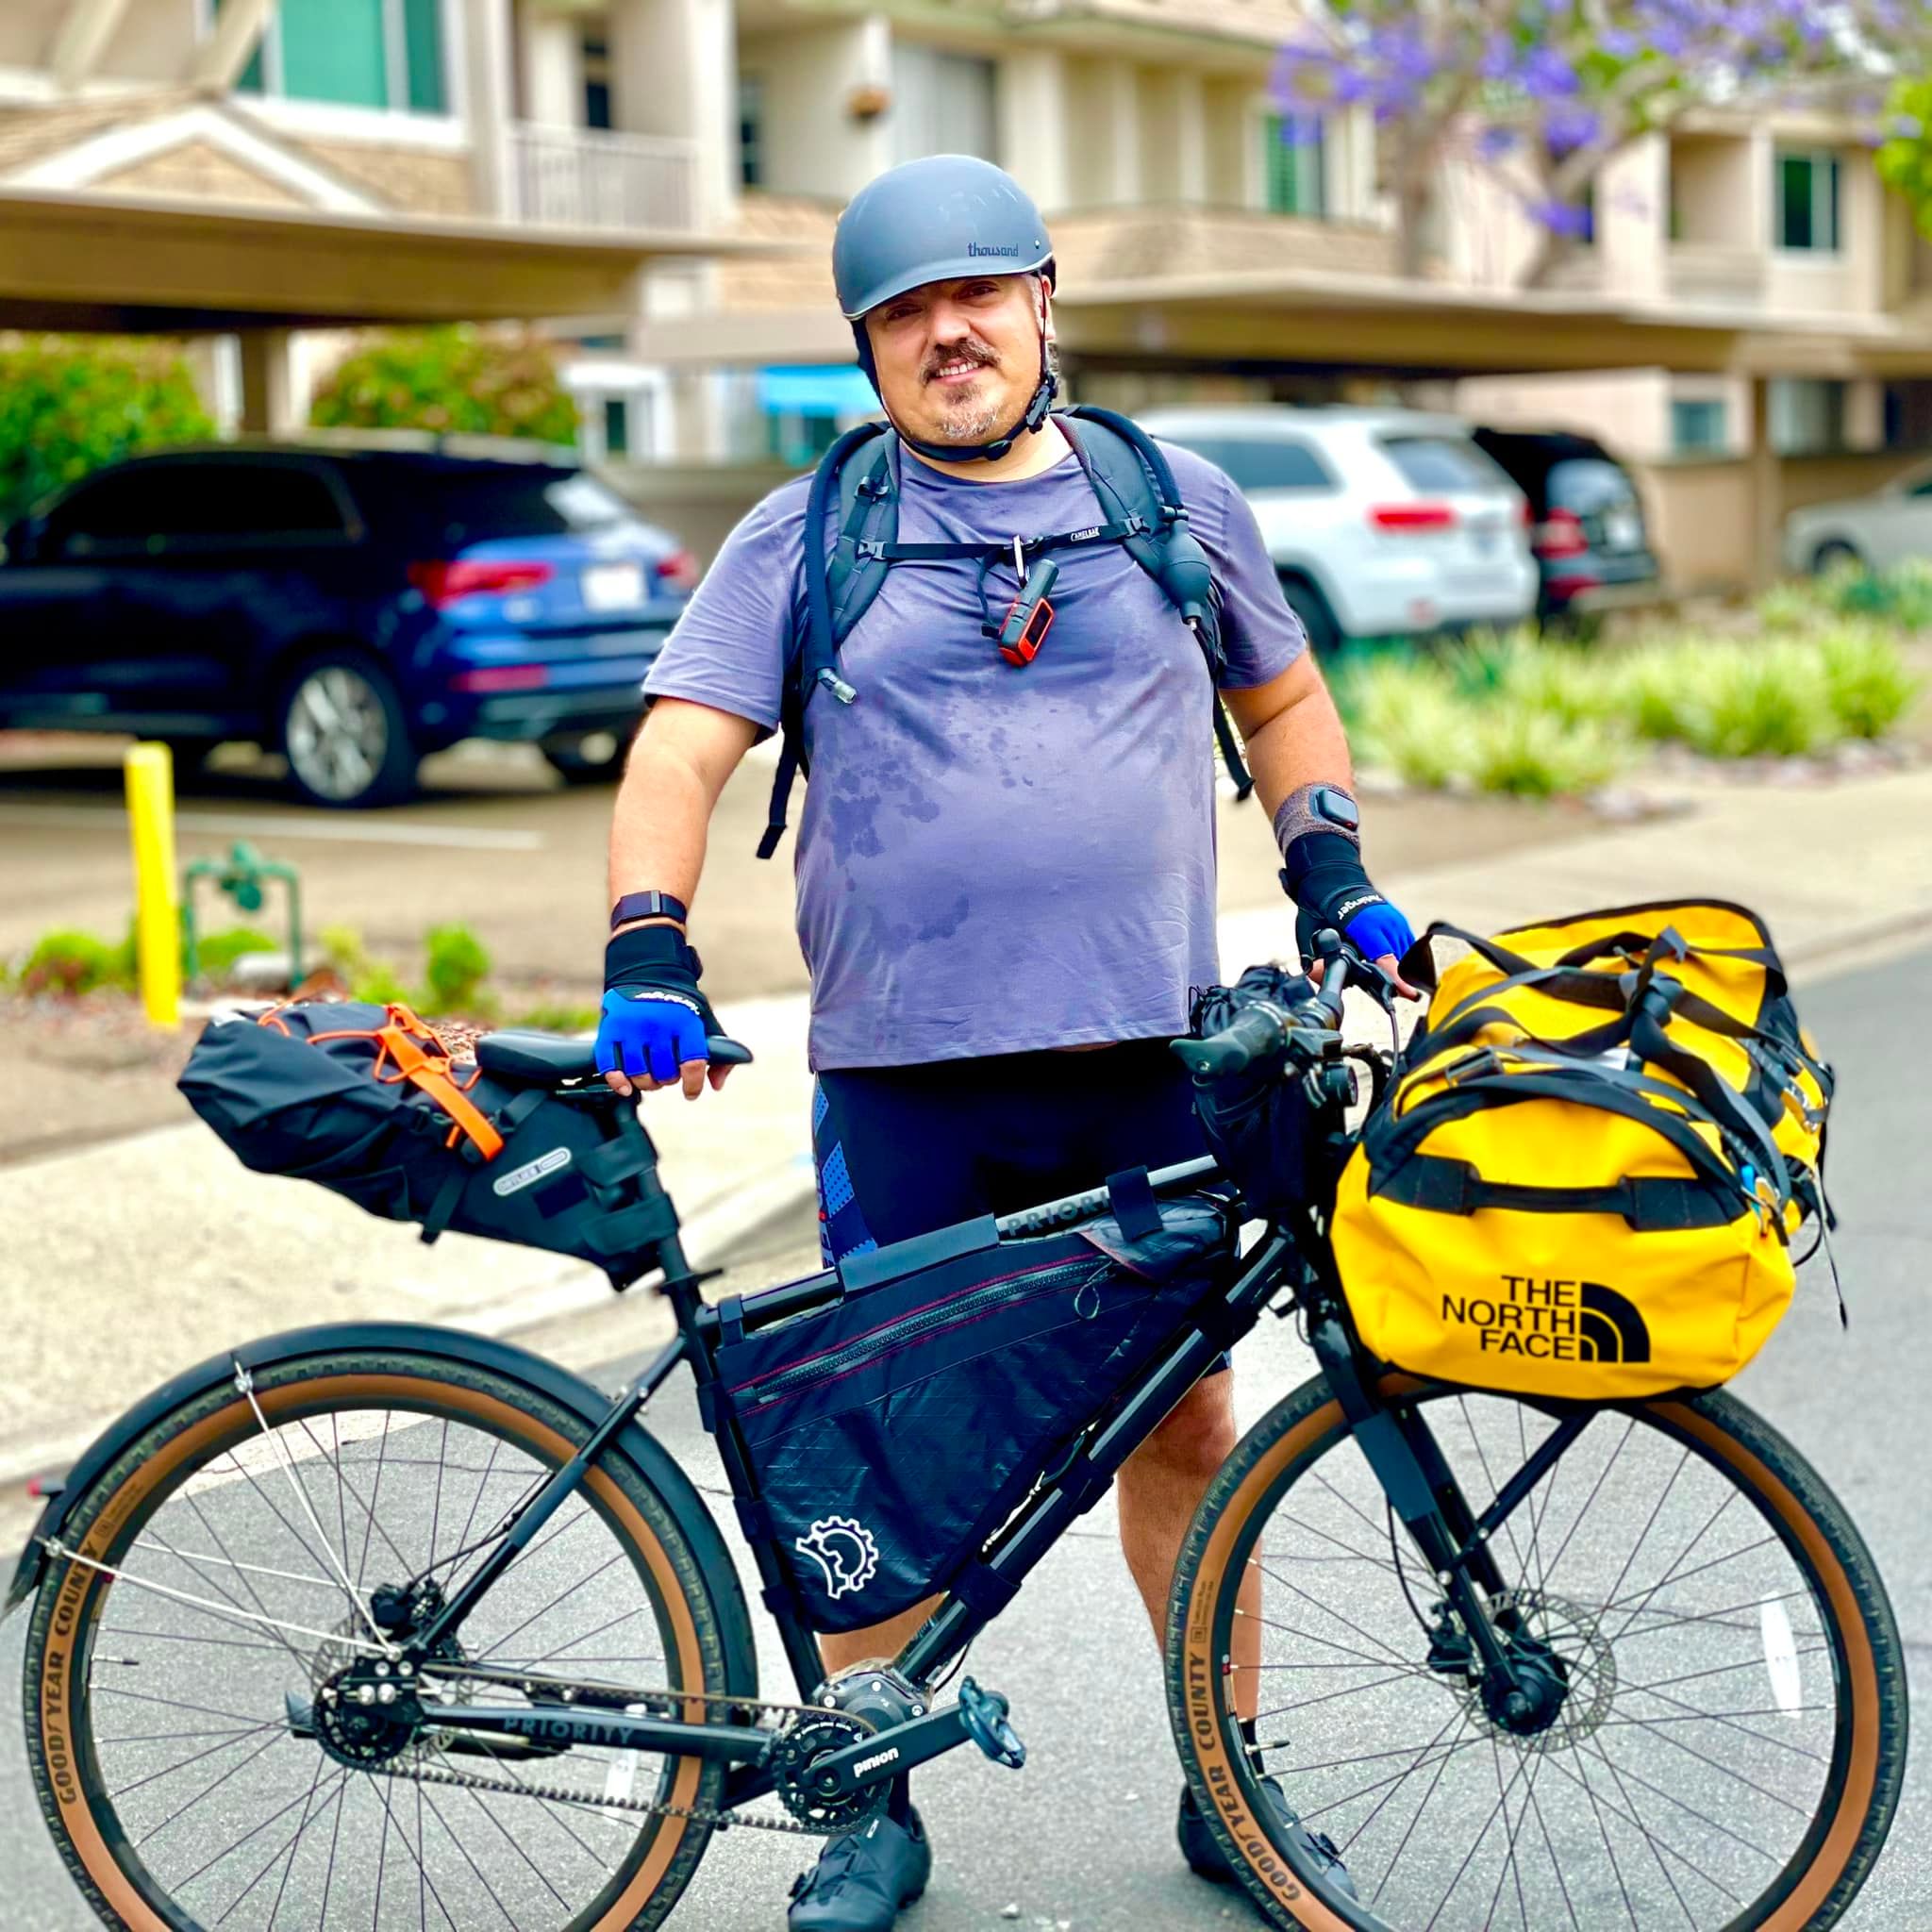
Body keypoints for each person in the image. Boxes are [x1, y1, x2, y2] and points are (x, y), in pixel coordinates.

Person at [596, 155, 1414, 1932]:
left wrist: (1333, 864)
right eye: (902, 314)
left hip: (1153, 1066)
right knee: (885, 1443)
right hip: (905, 1081)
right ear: (868, 355)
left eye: (974, 296)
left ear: (1045, 302)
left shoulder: (1171, 501)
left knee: (1186, 1434)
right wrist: (647, 941)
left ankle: (1231, 1778)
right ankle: (871, 1805)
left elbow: (1277, 692)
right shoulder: (806, 533)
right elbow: (679, 745)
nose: (944, 333)